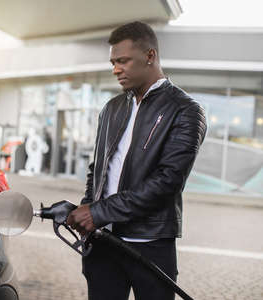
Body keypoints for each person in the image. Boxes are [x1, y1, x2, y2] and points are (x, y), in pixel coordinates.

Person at [66, 22, 207, 300]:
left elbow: (167, 182)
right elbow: (98, 169)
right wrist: (88, 207)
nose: (115, 69)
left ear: (150, 56)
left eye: (123, 61)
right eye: (113, 62)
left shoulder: (186, 110)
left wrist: (99, 212)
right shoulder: (112, 108)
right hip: (103, 243)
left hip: (150, 243)